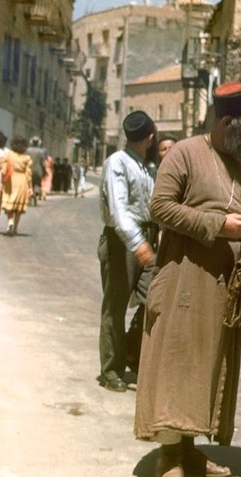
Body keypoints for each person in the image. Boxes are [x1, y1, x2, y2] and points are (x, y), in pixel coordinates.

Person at [133, 80, 241, 477]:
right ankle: (168, 455)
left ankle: (190, 449)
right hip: (184, 277)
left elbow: (240, 210)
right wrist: (217, 224)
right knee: (179, 360)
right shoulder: (186, 153)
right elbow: (160, 208)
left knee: (208, 366)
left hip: (224, 285)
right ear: (228, 122)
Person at [97, 110, 158, 393]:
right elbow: (119, 211)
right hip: (122, 241)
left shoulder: (145, 167)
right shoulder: (117, 163)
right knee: (116, 306)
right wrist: (138, 243)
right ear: (150, 137)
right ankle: (111, 369)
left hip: (145, 238)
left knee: (150, 300)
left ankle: (133, 356)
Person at [125, 133, 178, 373]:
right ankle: (132, 348)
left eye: (171, 148)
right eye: (163, 149)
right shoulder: (152, 175)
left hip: (176, 247)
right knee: (149, 299)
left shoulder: (183, 176)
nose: (167, 153)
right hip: (156, 245)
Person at [0, 135, 33, 236]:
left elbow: (3, 170)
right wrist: (30, 187)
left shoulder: (8, 155)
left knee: (9, 203)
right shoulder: (27, 158)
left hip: (11, 180)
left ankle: (10, 222)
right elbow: (29, 174)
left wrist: (2, 182)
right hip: (22, 181)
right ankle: (15, 229)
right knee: (18, 207)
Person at [26, 136, 47, 207]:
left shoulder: (27, 151)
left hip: (29, 170)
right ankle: (35, 195)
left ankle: (29, 197)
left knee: (28, 184)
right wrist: (44, 171)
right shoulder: (41, 152)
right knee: (37, 184)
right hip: (38, 171)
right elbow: (43, 163)